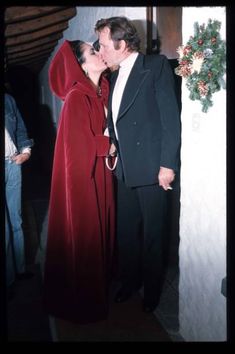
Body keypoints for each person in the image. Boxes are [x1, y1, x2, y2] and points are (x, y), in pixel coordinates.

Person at [95, 16, 181, 313]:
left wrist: (167, 164)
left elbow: (170, 119)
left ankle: (153, 292)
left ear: (122, 44)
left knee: (153, 235)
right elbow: (115, 118)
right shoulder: (114, 75)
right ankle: (130, 282)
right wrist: (112, 141)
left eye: (104, 45)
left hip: (153, 169)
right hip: (125, 168)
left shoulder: (155, 67)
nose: (100, 50)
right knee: (127, 232)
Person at [43, 40, 116, 324]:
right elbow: (77, 149)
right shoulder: (77, 97)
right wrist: (107, 145)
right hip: (84, 181)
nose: (100, 53)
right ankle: (83, 302)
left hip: (100, 175)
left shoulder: (101, 91)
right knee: (85, 238)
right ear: (81, 65)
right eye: (93, 52)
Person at [5, 92, 34, 290]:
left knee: (16, 220)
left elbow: (21, 129)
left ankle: (20, 269)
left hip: (12, 163)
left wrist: (26, 152)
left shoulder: (8, 99)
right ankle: (8, 279)